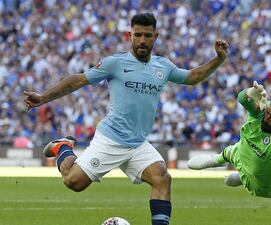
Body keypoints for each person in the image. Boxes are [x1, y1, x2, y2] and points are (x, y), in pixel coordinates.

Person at [23, 12, 228, 225]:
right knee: (73, 182)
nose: (142, 40)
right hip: (111, 138)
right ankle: (63, 147)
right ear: (129, 35)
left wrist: (218, 59)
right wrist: (43, 97)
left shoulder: (163, 66)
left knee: (162, 178)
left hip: (137, 143)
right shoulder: (115, 63)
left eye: (147, 36)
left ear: (155, 37)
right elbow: (79, 80)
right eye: (137, 35)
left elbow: (192, 77)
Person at [188, 81, 271, 198]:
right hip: (240, 152)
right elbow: (242, 99)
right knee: (215, 158)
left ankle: (243, 176)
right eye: (268, 112)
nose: (266, 118)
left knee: (257, 178)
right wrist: (250, 92)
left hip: (264, 185)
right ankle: (218, 160)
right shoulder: (262, 111)